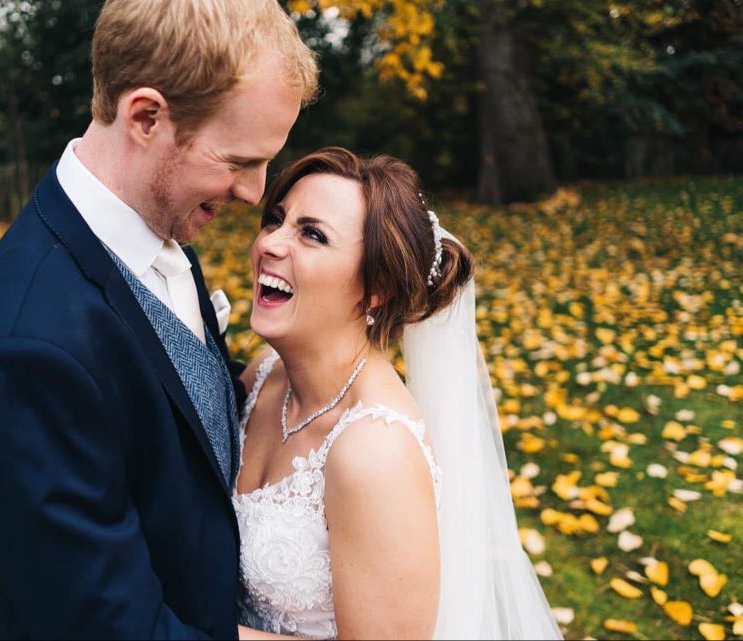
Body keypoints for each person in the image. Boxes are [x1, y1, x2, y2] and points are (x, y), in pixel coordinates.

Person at [0, 1, 318, 638]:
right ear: (145, 117)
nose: (257, 193)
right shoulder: (26, 351)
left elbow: (181, 416)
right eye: (238, 162)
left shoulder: (154, 225)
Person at [233, 147, 563, 639]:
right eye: (276, 221)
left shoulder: (375, 450)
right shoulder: (263, 377)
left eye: (313, 235)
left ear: (376, 289)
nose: (271, 245)